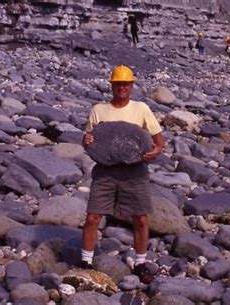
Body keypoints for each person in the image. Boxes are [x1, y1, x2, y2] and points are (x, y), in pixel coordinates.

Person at [80, 65, 164, 284]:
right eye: (118, 84)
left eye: (126, 84)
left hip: (134, 171)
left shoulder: (141, 108)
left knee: (141, 218)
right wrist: (86, 141)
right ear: (112, 85)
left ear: (131, 86)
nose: (122, 87)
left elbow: (158, 139)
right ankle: (85, 262)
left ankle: (140, 262)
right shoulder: (99, 110)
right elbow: (89, 140)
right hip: (105, 171)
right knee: (92, 218)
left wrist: (155, 152)